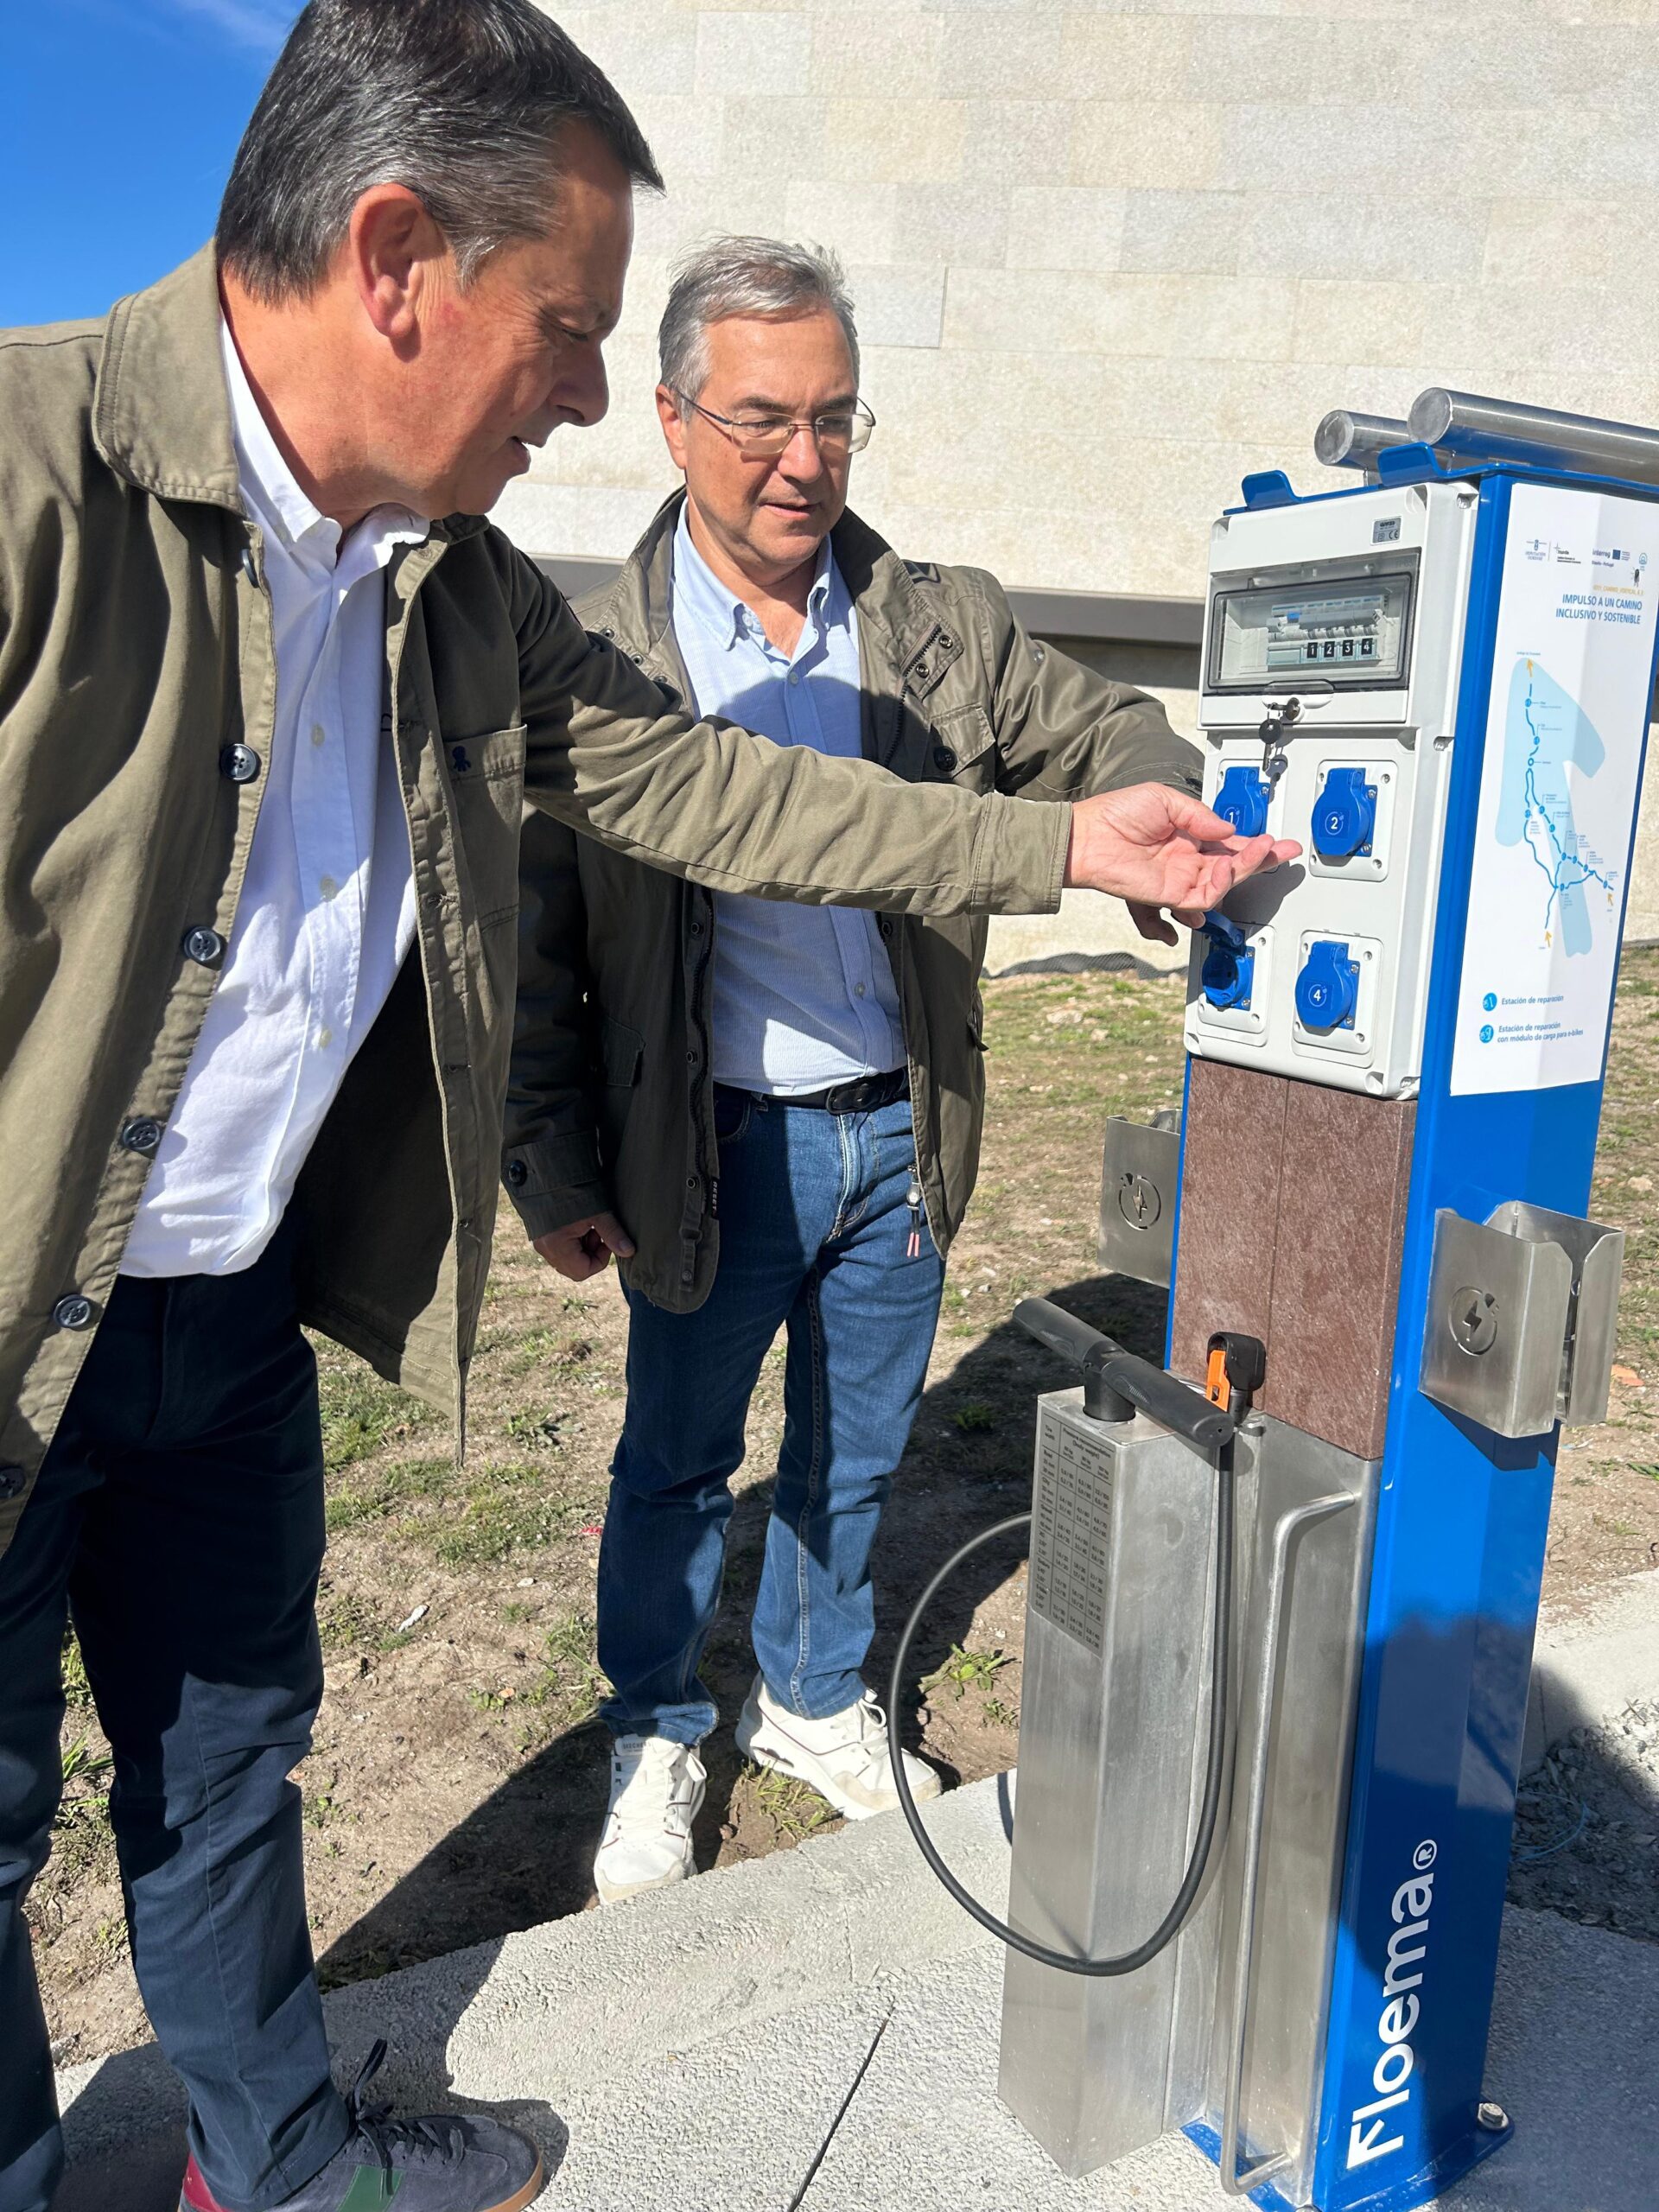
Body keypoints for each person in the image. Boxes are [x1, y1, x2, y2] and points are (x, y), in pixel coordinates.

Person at [0, 7, 1296, 2211]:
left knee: (232, 1769)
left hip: (216, 1329)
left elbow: (720, 784)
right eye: (572, 332)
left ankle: (282, 2168)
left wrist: (1069, 846)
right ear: (396, 255)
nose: (588, 396)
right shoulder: (35, 476)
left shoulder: (460, 599)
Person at [505, 238, 1209, 1907]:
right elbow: (540, 945)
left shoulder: (934, 624)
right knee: (675, 1462)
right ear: (669, 421)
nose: (804, 462)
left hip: (898, 1127)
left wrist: (1170, 793)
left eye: (836, 418)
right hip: (707, 1151)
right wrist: (550, 1160)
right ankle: (661, 1727)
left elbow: (1104, 732)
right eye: (760, 420)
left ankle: (815, 1700)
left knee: (857, 1451)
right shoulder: (600, 659)